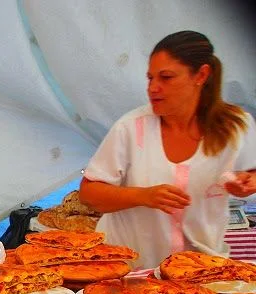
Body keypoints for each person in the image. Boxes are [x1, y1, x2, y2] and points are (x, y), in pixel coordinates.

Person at [80, 31, 256, 270]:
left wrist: (246, 183)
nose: (153, 88)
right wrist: (143, 196)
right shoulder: (131, 127)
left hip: (202, 269)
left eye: (166, 77)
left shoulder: (237, 125)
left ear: (201, 75)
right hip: (130, 270)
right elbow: (90, 194)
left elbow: (251, 174)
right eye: (150, 78)